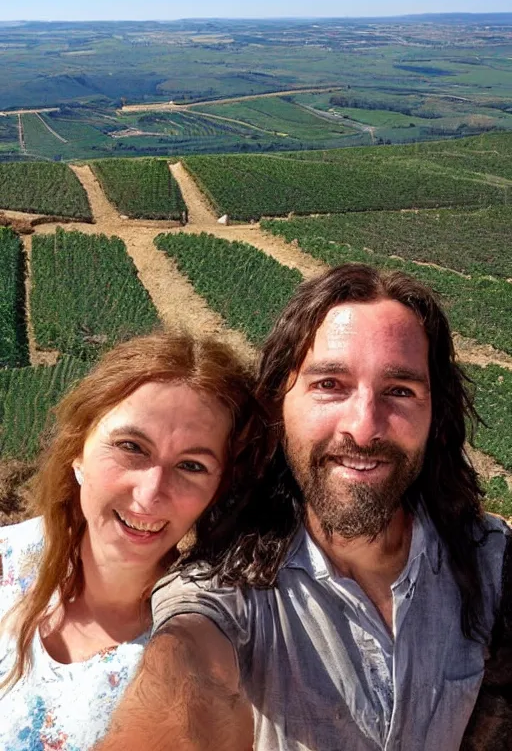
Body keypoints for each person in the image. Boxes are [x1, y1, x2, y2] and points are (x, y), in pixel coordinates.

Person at [97, 264, 511, 751]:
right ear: (277, 405)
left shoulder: (487, 562)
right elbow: (186, 674)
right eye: (329, 385)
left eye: (399, 391)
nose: (363, 427)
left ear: (435, 413)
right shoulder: (227, 586)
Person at [0, 331, 266, 750]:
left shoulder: (202, 646)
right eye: (131, 447)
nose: (150, 493)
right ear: (78, 450)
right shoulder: (5, 561)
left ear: (217, 491)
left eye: (192, 466)